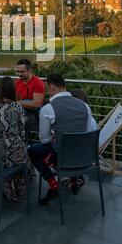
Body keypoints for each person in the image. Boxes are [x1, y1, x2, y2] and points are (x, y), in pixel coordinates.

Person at [28, 74, 97, 204]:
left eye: (48, 89)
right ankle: (74, 178)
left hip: (63, 160)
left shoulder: (48, 109)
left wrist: (55, 138)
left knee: (33, 150)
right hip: (84, 159)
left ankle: (53, 184)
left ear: (52, 88)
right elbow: (87, 133)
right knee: (58, 147)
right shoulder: (84, 106)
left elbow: (44, 140)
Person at [0, 76, 29, 202]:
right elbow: (22, 132)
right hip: (12, 156)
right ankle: (18, 189)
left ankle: (3, 186)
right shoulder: (17, 107)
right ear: (12, 91)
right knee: (24, 152)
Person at [15, 59, 45, 140]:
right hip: (22, 111)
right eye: (18, 71)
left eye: (22, 72)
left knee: (23, 122)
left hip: (35, 113)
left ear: (29, 70)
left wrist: (20, 103)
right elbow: (15, 100)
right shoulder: (17, 82)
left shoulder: (38, 83)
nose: (19, 74)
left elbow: (37, 104)